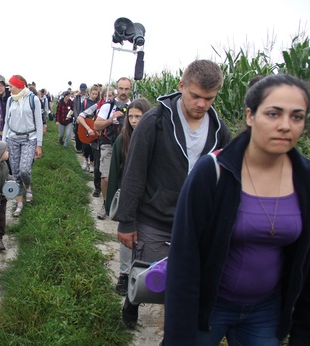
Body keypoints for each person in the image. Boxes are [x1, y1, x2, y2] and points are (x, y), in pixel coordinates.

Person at [164, 74, 310, 346]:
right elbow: (184, 259)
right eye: (273, 113)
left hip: (266, 311)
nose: (285, 126)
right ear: (250, 116)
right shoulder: (214, 171)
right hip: (210, 306)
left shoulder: (304, 179)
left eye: (297, 116)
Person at [113, 60, 231, 328]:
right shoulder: (155, 122)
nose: (201, 104)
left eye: (209, 98)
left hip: (196, 223)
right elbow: (134, 173)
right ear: (181, 86)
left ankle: (173, 332)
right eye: (195, 96)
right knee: (148, 277)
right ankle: (132, 302)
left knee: (183, 285)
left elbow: (226, 179)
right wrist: (127, 221)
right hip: (155, 218)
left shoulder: (219, 131)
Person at [104, 98, 151, 295]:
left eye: (138, 116)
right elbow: (114, 171)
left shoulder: (154, 137)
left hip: (149, 196)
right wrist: (112, 203)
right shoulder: (122, 139)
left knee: (145, 236)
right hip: (127, 193)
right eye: (130, 116)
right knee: (127, 234)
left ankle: (142, 274)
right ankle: (124, 274)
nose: (133, 120)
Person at [2, 75, 43, 217]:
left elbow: (38, 122)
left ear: (19, 85)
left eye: (11, 86)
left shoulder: (33, 99)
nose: (9, 88)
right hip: (12, 139)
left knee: (24, 169)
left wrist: (39, 144)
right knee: (15, 173)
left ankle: (28, 186)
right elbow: (7, 122)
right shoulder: (9, 100)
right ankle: (19, 204)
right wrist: (4, 143)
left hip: (29, 138)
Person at [94, 77, 133, 220]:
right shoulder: (107, 106)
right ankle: (106, 203)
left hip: (128, 146)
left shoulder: (134, 107)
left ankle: (122, 207)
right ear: (117, 89)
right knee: (106, 178)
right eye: (121, 88)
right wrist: (111, 119)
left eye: (126, 89)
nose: (123, 92)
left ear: (130, 89)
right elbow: (96, 126)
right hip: (109, 144)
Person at [78, 85, 101, 173]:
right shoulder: (85, 102)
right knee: (85, 144)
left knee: (93, 145)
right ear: (90, 93)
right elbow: (81, 113)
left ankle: (91, 163)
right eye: (93, 94)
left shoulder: (98, 103)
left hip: (94, 124)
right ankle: (85, 159)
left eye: (96, 94)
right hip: (85, 124)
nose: (94, 95)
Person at [73, 83, 89, 152]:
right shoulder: (77, 97)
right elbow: (75, 108)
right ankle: (78, 147)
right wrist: (77, 117)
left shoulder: (88, 97)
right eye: (82, 90)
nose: (83, 91)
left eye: (84, 90)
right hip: (79, 117)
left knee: (85, 132)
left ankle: (84, 148)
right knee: (78, 132)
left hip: (87, 117)